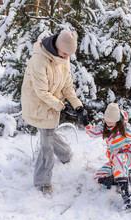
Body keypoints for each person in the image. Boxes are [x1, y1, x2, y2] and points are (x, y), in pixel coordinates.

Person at [21, 30, 88, 196]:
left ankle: (65, 154)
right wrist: (60, 106)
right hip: (38, 103)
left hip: (51, 102)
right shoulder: (39, 60)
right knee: (46, 145)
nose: (67, 58)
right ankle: (43, 182)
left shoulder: (64, 59)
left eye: (69, 55)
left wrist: (78, 106)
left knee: (48, 134)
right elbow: (41, 92)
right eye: (65, 54)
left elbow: (67, 86)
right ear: (57, 46)